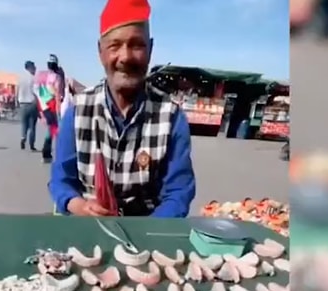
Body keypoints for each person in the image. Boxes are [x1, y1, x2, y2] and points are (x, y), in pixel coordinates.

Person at [48, 0, 196, 217]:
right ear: (101, 52)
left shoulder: (171, 118)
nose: (125, 57)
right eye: (114, 46)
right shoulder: (78, 111)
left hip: (148, 230)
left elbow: (178, 192)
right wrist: (79, 206)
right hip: (88, 227)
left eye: (136, 45)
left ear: (150, 49)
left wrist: (144, 235)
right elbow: (61, 181)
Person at [34, 55, 64, 163]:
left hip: (42, 105)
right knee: (55, 130)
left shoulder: (41, 76)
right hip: (52, 105)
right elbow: (57, 94)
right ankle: (51, 154)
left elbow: (36, 91)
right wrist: (59, 110)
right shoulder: (57, 77)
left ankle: (47, 154)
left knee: (50, 130)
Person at [16, 60, 39, 151]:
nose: (35, 68)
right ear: (30, 68)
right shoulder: (33, 78)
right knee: (32, 126)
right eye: (34, 67)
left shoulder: (20, 78)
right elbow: (36, 92)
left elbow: (16, 91)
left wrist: (16, 101)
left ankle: (23, 137)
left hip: (22, 104)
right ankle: (32, 145)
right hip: (32, 104)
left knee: (24, 123)